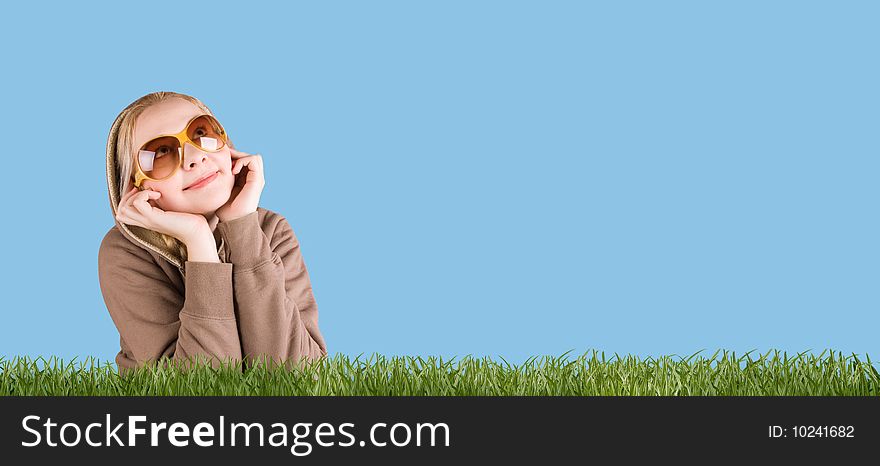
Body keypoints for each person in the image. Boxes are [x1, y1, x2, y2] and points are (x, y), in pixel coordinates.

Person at [98, 91, 328, 376]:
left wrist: (243, 228)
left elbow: (299, 377)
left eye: (201, 132)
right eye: (161, 152)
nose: (195, 157)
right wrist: (198, 241)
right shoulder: (125, 252)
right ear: (137, 187)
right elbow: (205, 386)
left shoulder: (272, 231)